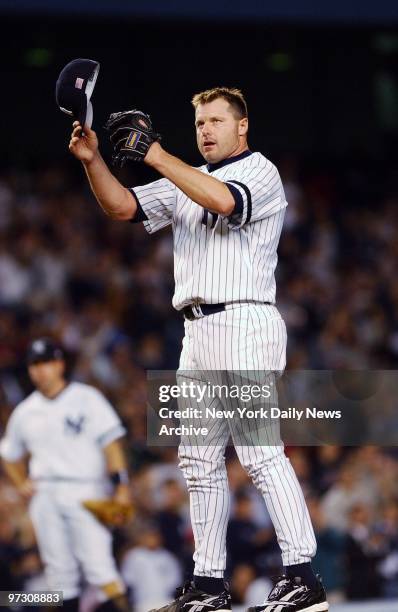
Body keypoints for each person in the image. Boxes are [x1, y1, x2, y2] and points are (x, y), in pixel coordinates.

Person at [68, 87, 328, 612]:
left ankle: (302, 576)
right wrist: (95, 160)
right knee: (198, 460)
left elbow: (225, 200)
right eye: (199, 122)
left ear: (242, 126)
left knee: (257, 453)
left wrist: (155, 154)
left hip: (246, 319)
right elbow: (122, 207)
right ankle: (208, 585)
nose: (205, 129)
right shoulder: (183, 180)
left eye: (215, 120)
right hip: (197, 330)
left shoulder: (261, 171)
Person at [0, 338, 130, 612]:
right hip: (45, 493)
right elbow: (9, 454)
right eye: (34, 364)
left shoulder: (87, 397)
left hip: (87, 490)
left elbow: (112, 445)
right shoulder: (25, 411)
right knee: (59, 576)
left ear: (59, 364)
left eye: (45, 362)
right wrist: (21, 482)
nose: (40, 370)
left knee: (99, 566)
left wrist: (122, 485)